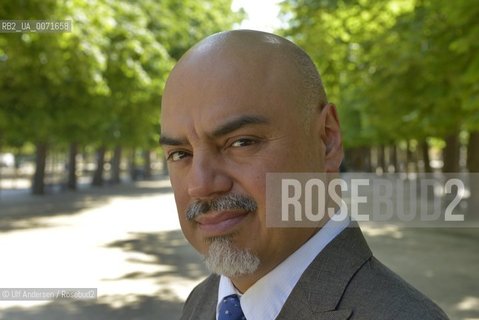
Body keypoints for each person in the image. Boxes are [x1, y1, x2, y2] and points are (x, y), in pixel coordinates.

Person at [160, 30, 449, 320]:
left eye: (241, 142)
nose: (200, 185)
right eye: (180, 154)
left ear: (327, 140)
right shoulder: (201, 302)